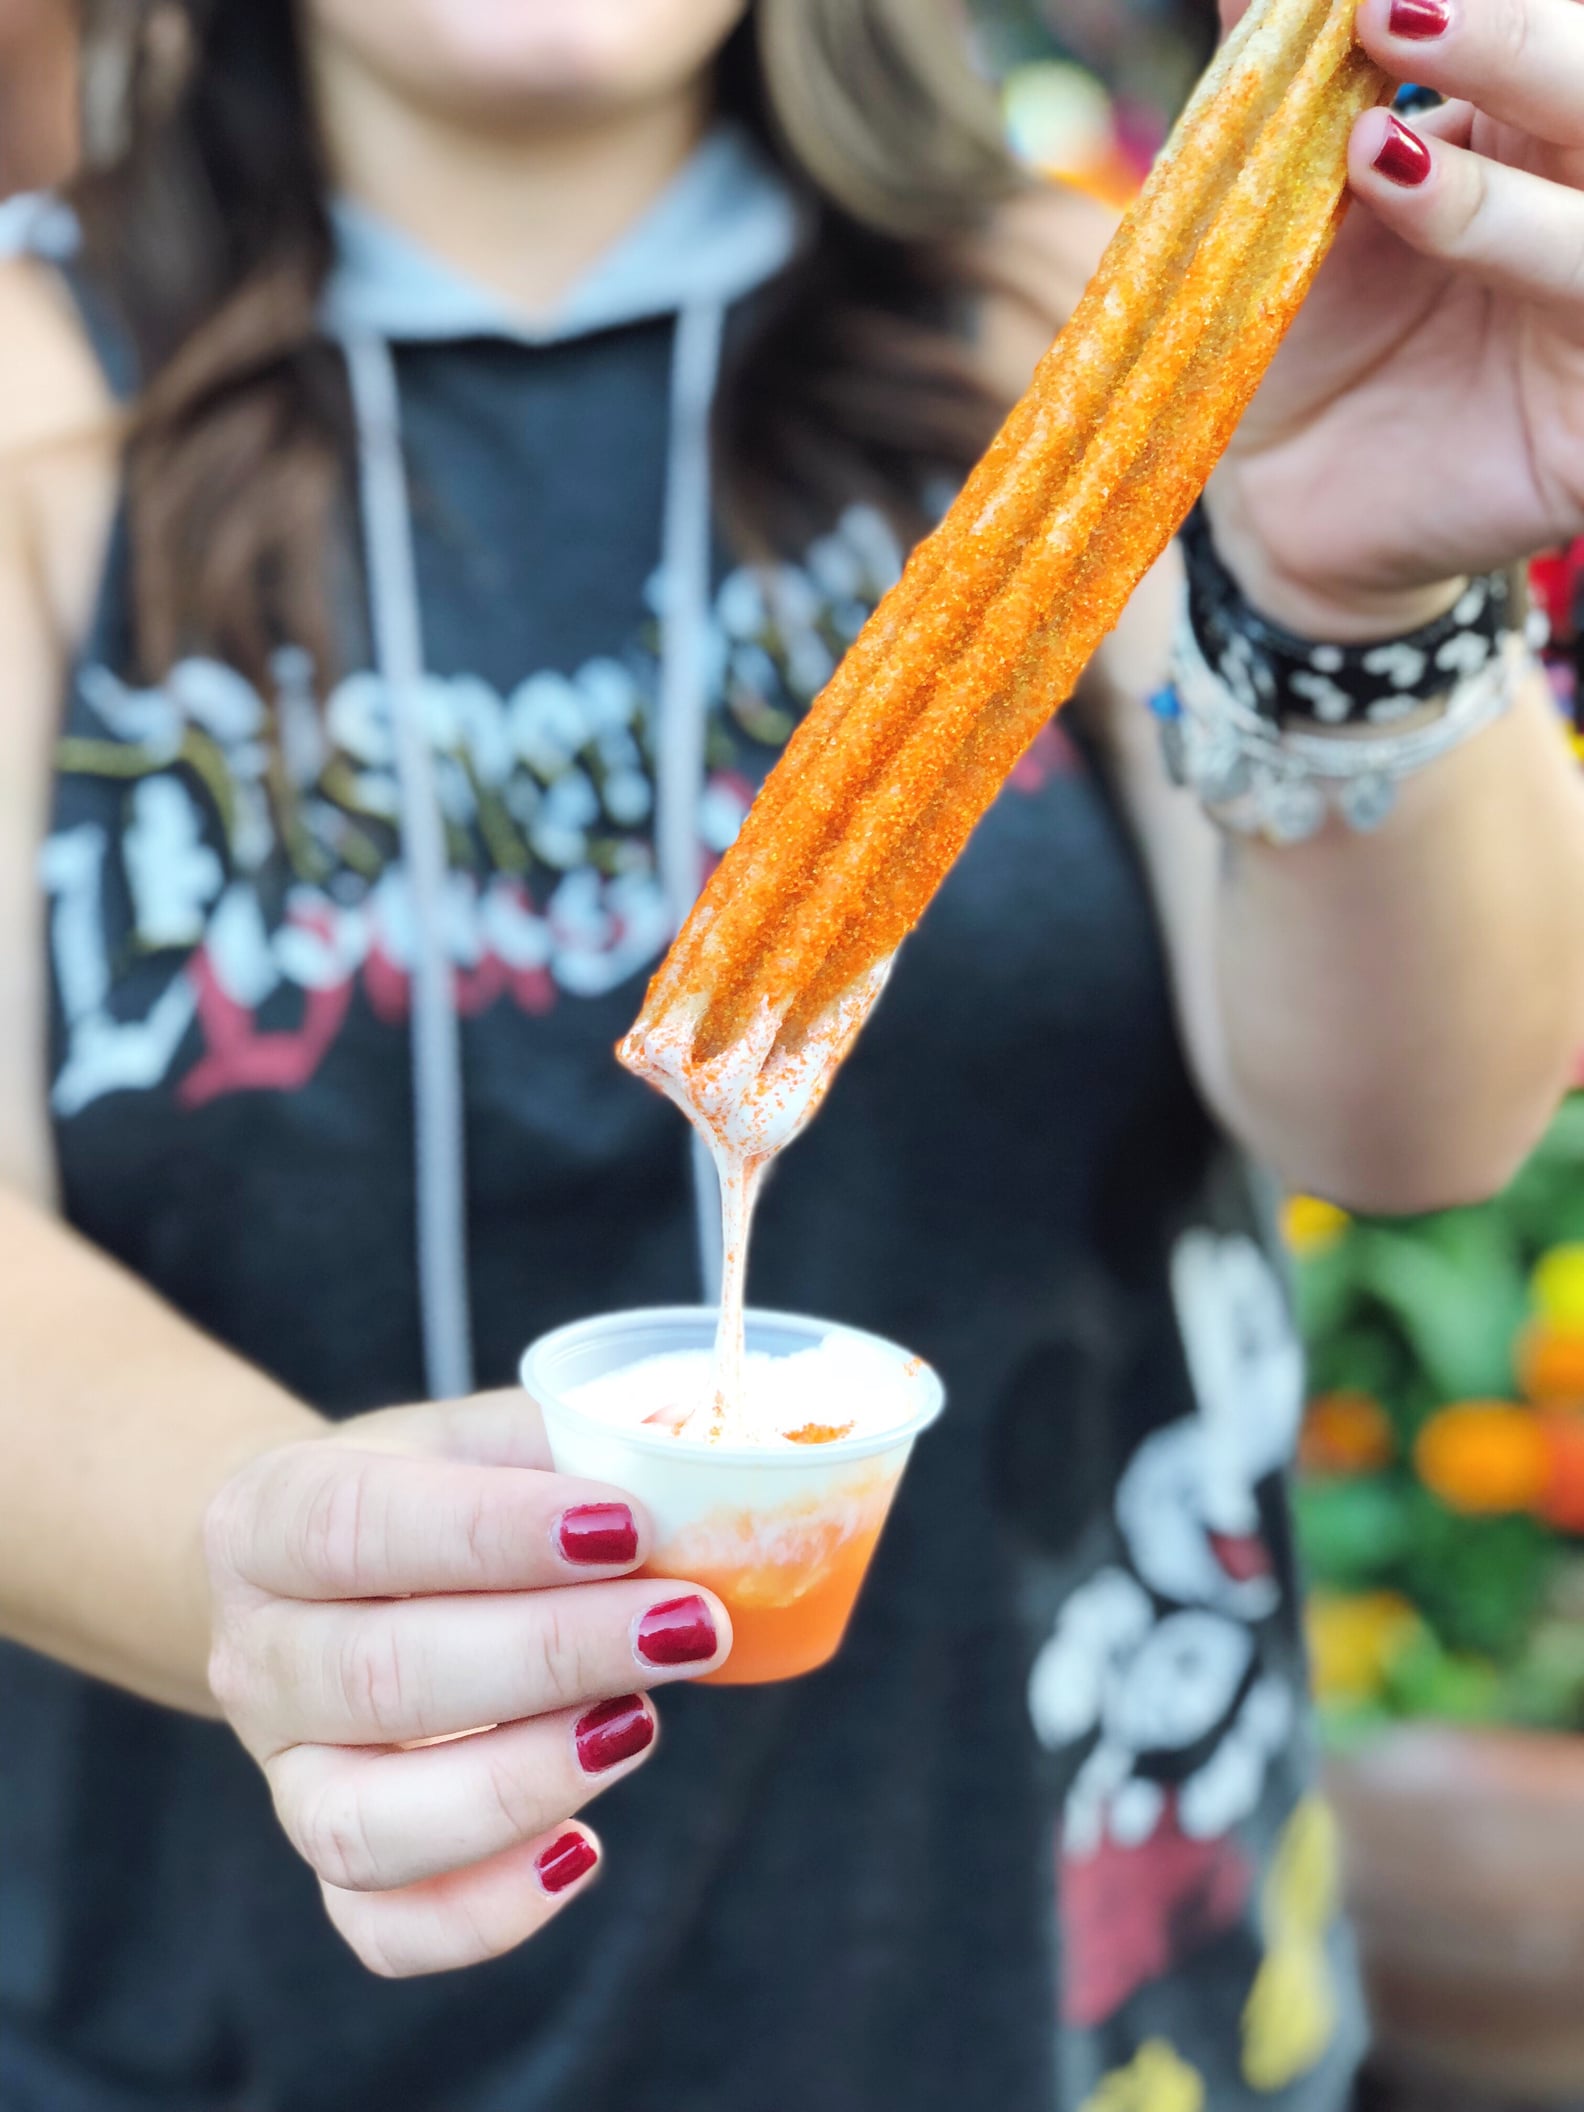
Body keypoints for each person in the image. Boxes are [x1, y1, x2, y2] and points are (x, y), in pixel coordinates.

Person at [1, 0, 1582, 2106]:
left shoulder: (1085, 310)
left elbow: (1420, 1122)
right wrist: (270, 1570)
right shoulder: (31, 411)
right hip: (243, 2025)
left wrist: (1357, 606)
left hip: (1060, 2002)